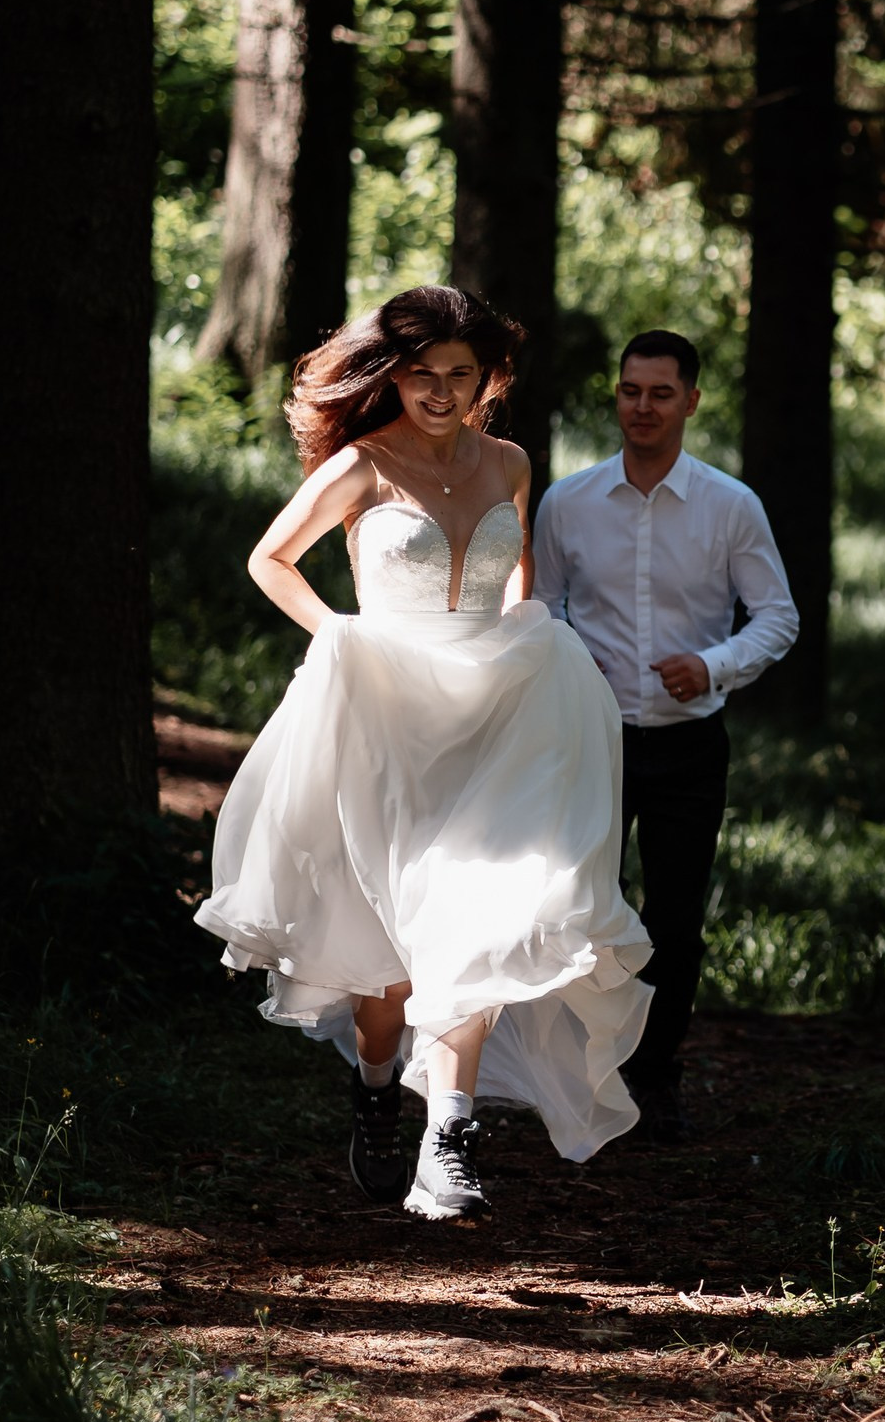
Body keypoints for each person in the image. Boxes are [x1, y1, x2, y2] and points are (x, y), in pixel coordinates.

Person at [193, 287, 653, 1219]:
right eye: (420, 374)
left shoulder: (512, 463)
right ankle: (373, 1090)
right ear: (392, 375)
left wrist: (524, 627)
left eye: (460, 375)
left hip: (495, 712)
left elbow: (516, 562)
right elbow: (269, 558)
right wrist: (338, 635)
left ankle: (448, 1142)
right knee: (390, 970)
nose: (440, 392)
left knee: (478, 921)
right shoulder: (362, 467)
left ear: (488, 379)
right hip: (388, 711)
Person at [532, 331, 799, 1141]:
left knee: (675, 925)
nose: (640, 407)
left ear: (690, 400)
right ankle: (583, 1076)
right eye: (628, 391)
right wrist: (572, 668)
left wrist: (713, 667)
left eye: (658, 393)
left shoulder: (731, 506)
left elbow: (778, 616)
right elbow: (541, 614)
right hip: (594, 741)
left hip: (689, 744)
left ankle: (657, 1081)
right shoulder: (567, 502)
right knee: (583, 912)